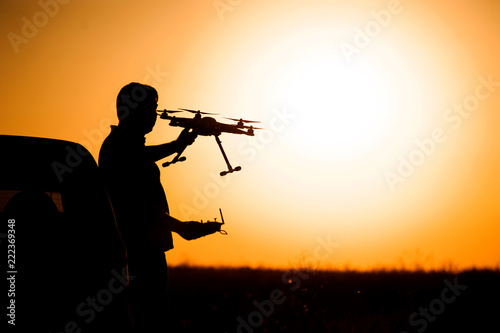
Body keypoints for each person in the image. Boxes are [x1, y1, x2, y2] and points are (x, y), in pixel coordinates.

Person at [99, 82, 222, 332]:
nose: (154, 115)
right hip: (138, 252)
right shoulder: (118, 148)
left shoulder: (122, 146)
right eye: (149, 108)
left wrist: (178, 145)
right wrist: (180, 227)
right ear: (132, 110)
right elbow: (136, 205)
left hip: (144, 249)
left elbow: (140, 156)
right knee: (148, 320)